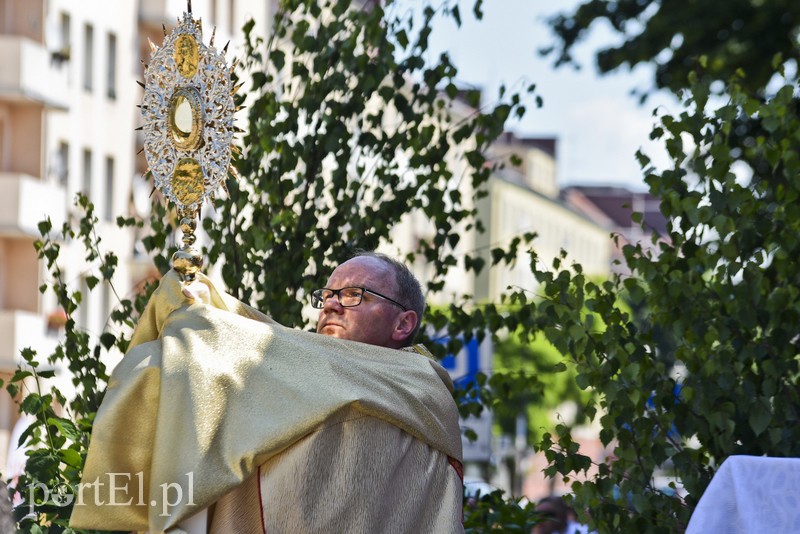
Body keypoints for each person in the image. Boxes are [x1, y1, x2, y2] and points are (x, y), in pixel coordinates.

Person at [70, 252, 463, 533]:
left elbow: (266, 343)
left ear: (403, 323)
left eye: (353, 295)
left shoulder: (422, 384)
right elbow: (272, 342)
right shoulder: (301, 366)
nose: (331, 306)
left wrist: (209, 321)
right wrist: (204, 305)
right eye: (326, 295)